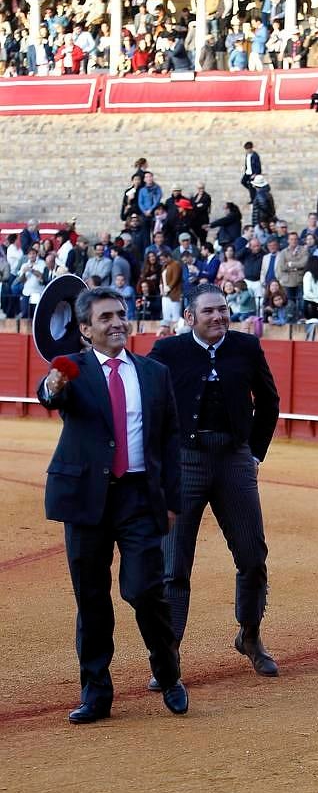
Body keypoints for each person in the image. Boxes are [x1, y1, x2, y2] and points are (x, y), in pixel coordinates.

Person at [37, 287, 188, 722]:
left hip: (139, 496)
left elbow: (170, 440)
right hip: (86, 498)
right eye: (105, 317)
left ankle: (168, 672)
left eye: (120, 314)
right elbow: (50, 393)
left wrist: (172, 500)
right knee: (92, 598)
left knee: (146, 591)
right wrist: (53, 384)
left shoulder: (154, 373)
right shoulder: (72, 369)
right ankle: (96, 693)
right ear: (85, 330)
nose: (117, 322)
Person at [147, 283, 280, 682]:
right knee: (174, 566)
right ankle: (169, 653)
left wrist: (254, 453)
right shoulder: (167, 352)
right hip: (185, 462)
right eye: (208, 311)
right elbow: (149, 403)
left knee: (253, 556)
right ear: (189, 317)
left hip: (234, 458)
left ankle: (251, 635)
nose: (218, 317)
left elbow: (269, 401)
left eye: (222, 309)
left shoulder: (246, 346)